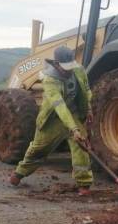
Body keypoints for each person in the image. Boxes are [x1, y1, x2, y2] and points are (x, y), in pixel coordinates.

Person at [7, 46, 94, 195]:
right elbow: (59, 106)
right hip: (52, 118)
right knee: (38, 150)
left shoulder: (78, 70)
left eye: (70, 66)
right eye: (65, 67)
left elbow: (86, 90)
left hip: (73, 114)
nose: (69, 70)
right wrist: (74, 129)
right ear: (56, 64)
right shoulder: (50, 79)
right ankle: (19, 173)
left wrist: (89, 109)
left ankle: (83, 184)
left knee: (81, 147)